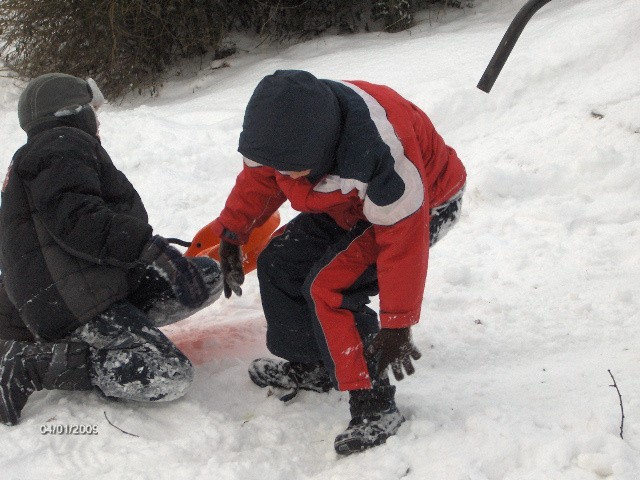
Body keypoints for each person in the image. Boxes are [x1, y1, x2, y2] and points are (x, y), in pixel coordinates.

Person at [209, 70, 467, 454]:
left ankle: (375, 406)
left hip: (420, 207)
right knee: (278, 261)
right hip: (349, 203)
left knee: (330, 287)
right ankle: (311, 364)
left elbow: (403, 242)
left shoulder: (383, 151)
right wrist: (232, 232)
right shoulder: (287, 131)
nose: (284, 176)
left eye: (291, 168)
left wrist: (397, 322)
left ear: (322, 146)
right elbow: (260, 179)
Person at [0, 73, 223, 426]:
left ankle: (121, 335)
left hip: (94, 285)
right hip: (74, 303)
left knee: (207, 275)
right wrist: (150, 249)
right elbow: (78, 220)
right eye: (91, 109)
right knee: (168, 373)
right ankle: (35, 363)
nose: (97, 118)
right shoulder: (59, 145)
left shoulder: (49, 150)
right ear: (70, 112)